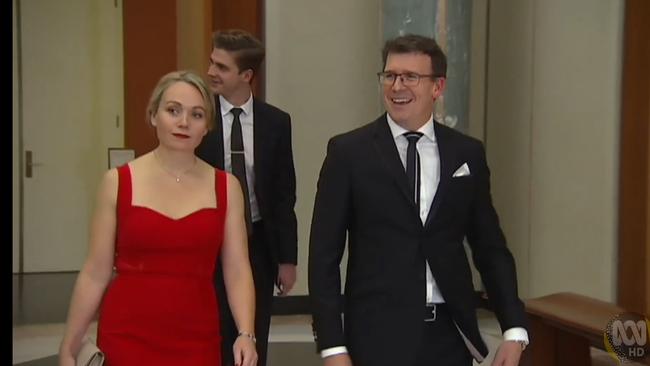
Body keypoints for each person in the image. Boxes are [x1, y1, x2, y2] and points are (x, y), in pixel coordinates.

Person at [308, 34, 529, 366]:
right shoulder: (348, 153)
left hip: (449, 336)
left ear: (437, 87)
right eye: (390, 75)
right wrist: (332, 346)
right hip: (375, 336)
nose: (397, 86)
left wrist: (514, 329)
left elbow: (490, 247)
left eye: (411, 77)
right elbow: (323, 255)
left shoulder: (466, 153)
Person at [58, 70, 257, 366]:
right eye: (173, 110)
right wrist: (69, 344)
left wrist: (246, 333)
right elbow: (95, 272)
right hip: (126, 334)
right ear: (153, 116)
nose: (183, 122)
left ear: (207, 127)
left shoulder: (226, 187)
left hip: (197, 335)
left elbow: (238, 269)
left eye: (197, 114)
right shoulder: (117, 182)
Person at [196, 29, 298, 366]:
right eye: (212, 62)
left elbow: (284, 195)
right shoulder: (199, 118)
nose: (211, 72)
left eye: (222, 67)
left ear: (246, 75)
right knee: (211, 331)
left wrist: (287, 259)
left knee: (253, 331)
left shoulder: (276, 122)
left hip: (257, 243)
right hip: (206, 242)